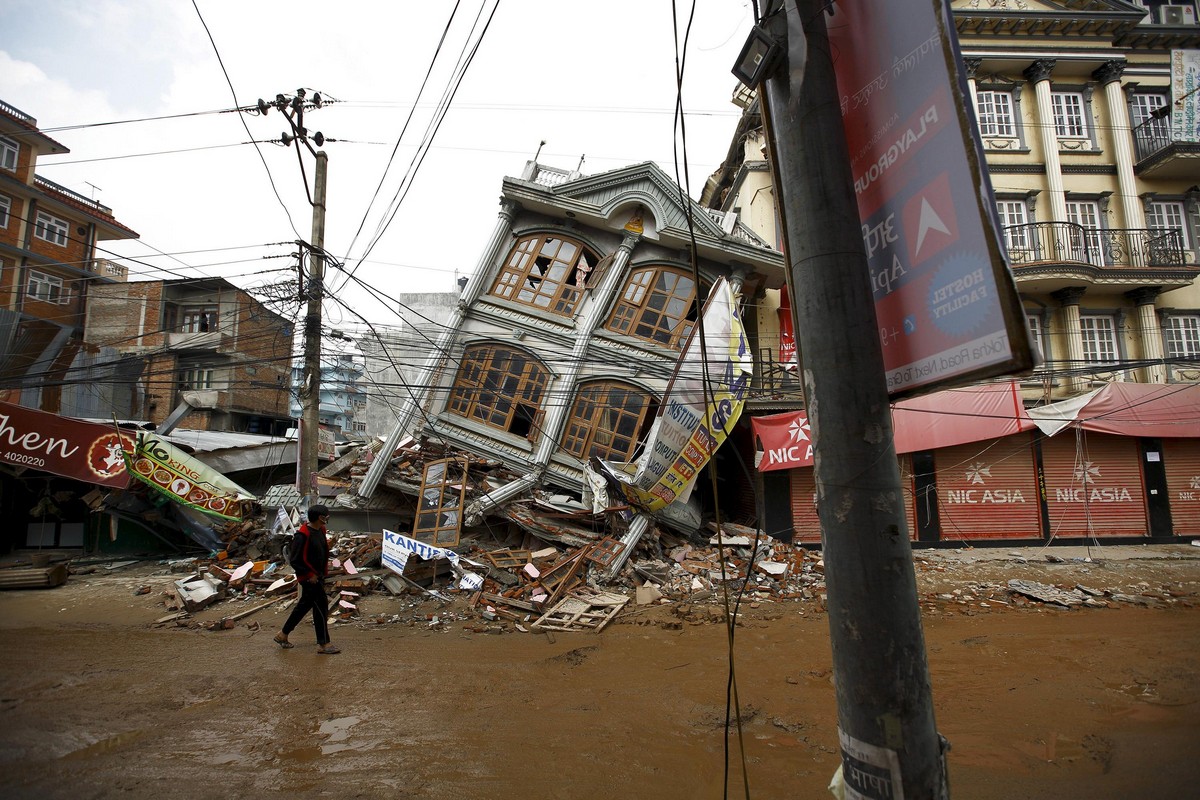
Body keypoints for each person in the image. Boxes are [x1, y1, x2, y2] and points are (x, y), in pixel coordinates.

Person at [274, 504, 340, 654]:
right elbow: (295, 560)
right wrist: (310, 575)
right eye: (325, 517)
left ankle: (282, 634)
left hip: (318, 576)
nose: (326, 520)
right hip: (309, 578)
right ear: (319, 518)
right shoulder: (302, 535)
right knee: (321, 606)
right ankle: (323, 644)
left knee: (304, 605)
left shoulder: (320, 530)